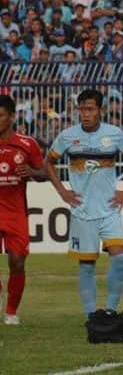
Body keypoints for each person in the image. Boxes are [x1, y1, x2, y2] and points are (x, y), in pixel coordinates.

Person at [45, 89, 123, 318]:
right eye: (82, 109)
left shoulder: (114, 134)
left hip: (109, 209)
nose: (85, 114)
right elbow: (47, 162)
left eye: (90, 109)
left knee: (119, 260)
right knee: (87, 267)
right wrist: (62, 191)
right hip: (82, 212)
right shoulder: (67, 136)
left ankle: (110, 311)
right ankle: (91, 317)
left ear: (101, 110)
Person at [0, 95, 45, 325]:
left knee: (17, 261)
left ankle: (11, 312)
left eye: (0, 116)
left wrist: (32, 172)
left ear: (11, 117)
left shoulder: (27, 145)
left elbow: (44, 173)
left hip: (16, 212)